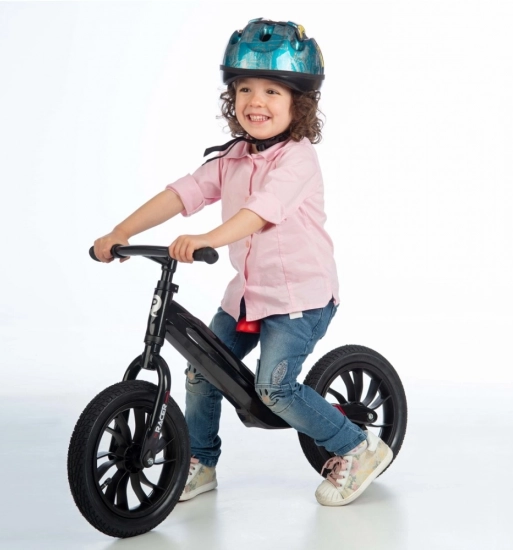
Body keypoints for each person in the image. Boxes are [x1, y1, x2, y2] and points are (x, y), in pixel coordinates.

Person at [93, 18, 392, 507]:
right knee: (200, 369)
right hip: (248, 297)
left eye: (273, 91)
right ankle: (201, 462)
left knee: (274, 388)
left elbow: (258, 213)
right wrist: (121, 232)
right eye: (245, 89)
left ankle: (359, 448)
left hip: (299, 299)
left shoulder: (297, 161)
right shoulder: (232, 157)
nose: (256, 101)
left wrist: (206, 238)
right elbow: (182, 193)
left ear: (299, 103)